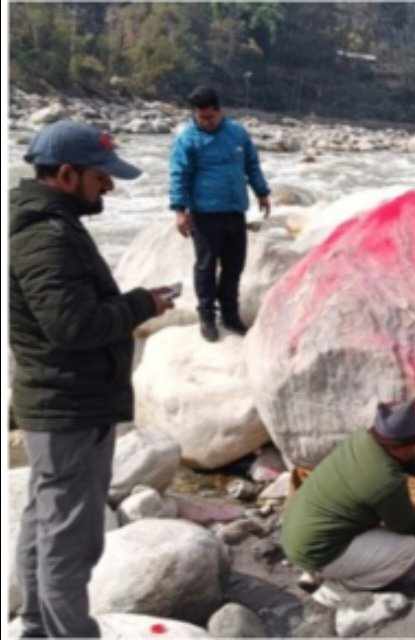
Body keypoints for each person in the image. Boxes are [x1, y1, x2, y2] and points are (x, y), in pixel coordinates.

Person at [10, 120, 174, 637]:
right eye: (100, 175)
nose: (109, 185)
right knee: (70, 539)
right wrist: (139, 305)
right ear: (65, 174)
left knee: (44, 519)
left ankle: (36, 621)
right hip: (69, 408)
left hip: (63, 402)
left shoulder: (48, 224)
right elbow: (72, 325)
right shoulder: (45, 238)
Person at [280, 399, 415, 604]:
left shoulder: (363, 439)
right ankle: (338, 588)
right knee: (409, 548)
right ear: (408, 445)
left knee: (374, 520)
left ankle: (321, 569)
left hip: (297, 530)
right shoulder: (385, 481)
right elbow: (406, 526)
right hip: (318, 550)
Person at [169, 86, 271, 342]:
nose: (205, 123)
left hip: (235, 211)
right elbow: (179, 175)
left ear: (219, 111)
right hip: (205, 215)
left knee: (234, 266)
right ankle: (206, 316)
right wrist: (180, 210)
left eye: (210, 118)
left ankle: (230, 315)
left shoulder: (237, 133)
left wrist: (261, 191)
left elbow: (251, 164)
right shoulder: (187, 139)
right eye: (200, 118)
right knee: (206, 266)